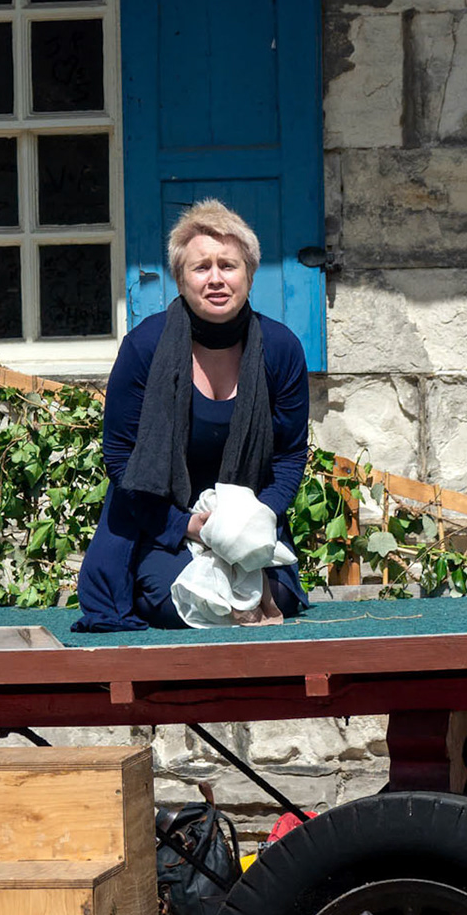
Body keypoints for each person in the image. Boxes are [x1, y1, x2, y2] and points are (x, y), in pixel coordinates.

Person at [74, 199, 310, 631]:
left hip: (251, 522)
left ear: (250, 274)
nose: (216, 278)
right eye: (201, 267)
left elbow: (290, 455)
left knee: (276, 599)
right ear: (180, 279)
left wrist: (251, 521)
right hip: (160, 523)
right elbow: (120, 457)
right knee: (183, 605)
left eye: (228, 265)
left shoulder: (281, 349)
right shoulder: (144, 348)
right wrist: (188, 526)